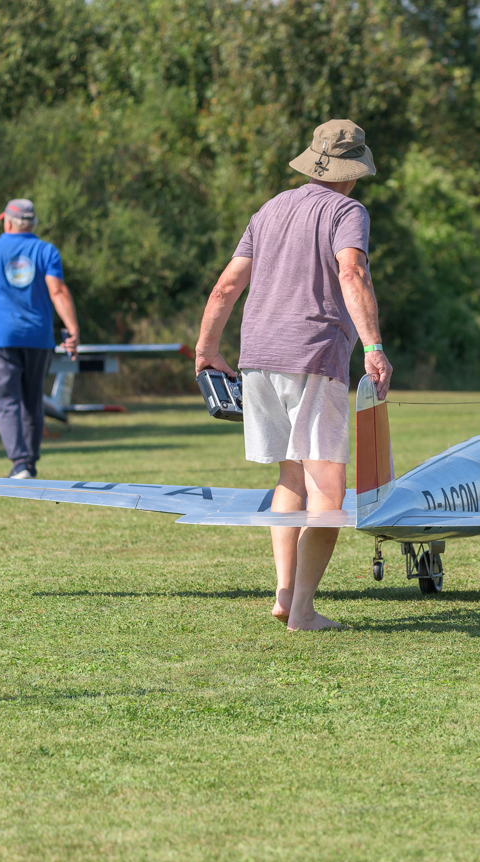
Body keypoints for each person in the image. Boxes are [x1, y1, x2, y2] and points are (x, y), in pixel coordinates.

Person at [195, 119, 393, 631]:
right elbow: (352, 272)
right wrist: (373, 346)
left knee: (290, 477)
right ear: (355, 171)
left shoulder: (270, 209)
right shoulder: (348, 211)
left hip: (257, 357)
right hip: (313, 356)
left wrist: (206, 350)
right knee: (327, 490)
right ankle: (302, 611)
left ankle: (285, 594)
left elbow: (225, 287)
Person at [0, 199, 80, 479]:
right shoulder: (46, 250)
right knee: (33, 399)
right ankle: (29, 463)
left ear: (7, 222)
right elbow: (58, 291)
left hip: (2, 338)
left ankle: (20, 463)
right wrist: (72, 328)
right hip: (38, 338)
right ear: (32, 224)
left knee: (6, 399)